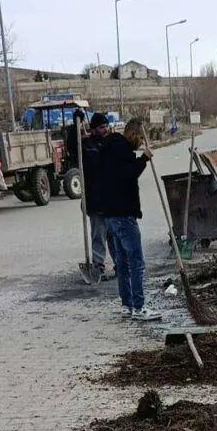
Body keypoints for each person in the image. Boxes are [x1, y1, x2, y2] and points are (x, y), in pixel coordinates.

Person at [97, 119, 161, 321]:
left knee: (123, 262)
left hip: (112, 215)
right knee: (136, 262)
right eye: (140, 138)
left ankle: (127, 304)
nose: (141, 142)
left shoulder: (110, 148)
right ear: (132, 134)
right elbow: (128, 175)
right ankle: (139, 308)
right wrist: (144, 159)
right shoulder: (121, 150)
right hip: (124, 214)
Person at [82, 113, 117, 280]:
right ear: (94, 129)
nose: (106, 129)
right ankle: (98, 267)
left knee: (115, 235)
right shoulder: (87, 146)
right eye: (102, 127)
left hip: (112, 199)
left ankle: (120, 264)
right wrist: (74, 128)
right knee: (98, 236)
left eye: (107, 126)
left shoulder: (111, 143)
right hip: (95, 199)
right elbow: (74, 149)